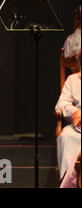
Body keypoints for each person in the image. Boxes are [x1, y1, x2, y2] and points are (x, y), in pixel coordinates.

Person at [55, 49, 81, 182]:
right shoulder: (73, 80)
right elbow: (60, 105)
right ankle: (68, 181)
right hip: (77, 128)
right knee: (66, 136)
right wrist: (75, 112)